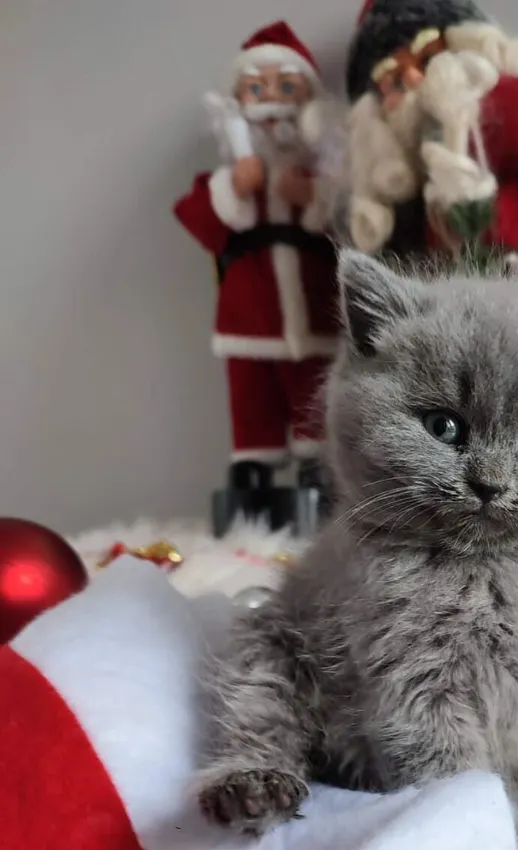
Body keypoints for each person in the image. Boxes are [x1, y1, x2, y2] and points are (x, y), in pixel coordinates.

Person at [174, 21, 340, 535]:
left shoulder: (323, 178)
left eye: (286, 88)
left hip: (314, 312)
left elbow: (353, 226)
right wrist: (233, 189)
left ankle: (319, 473)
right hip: (248, 315)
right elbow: (200, 221)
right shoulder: (223, 179)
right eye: (258, 88)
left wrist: (314, 198)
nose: (271, 101)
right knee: (252, 400)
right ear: (239, 101)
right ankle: (251, 473)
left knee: (314, 392)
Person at [343, 0, 518, 265]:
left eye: (427, 59)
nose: (415, 80)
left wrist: (452, 129)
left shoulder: (516, 105)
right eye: (395, 81)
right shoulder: (401, 197)